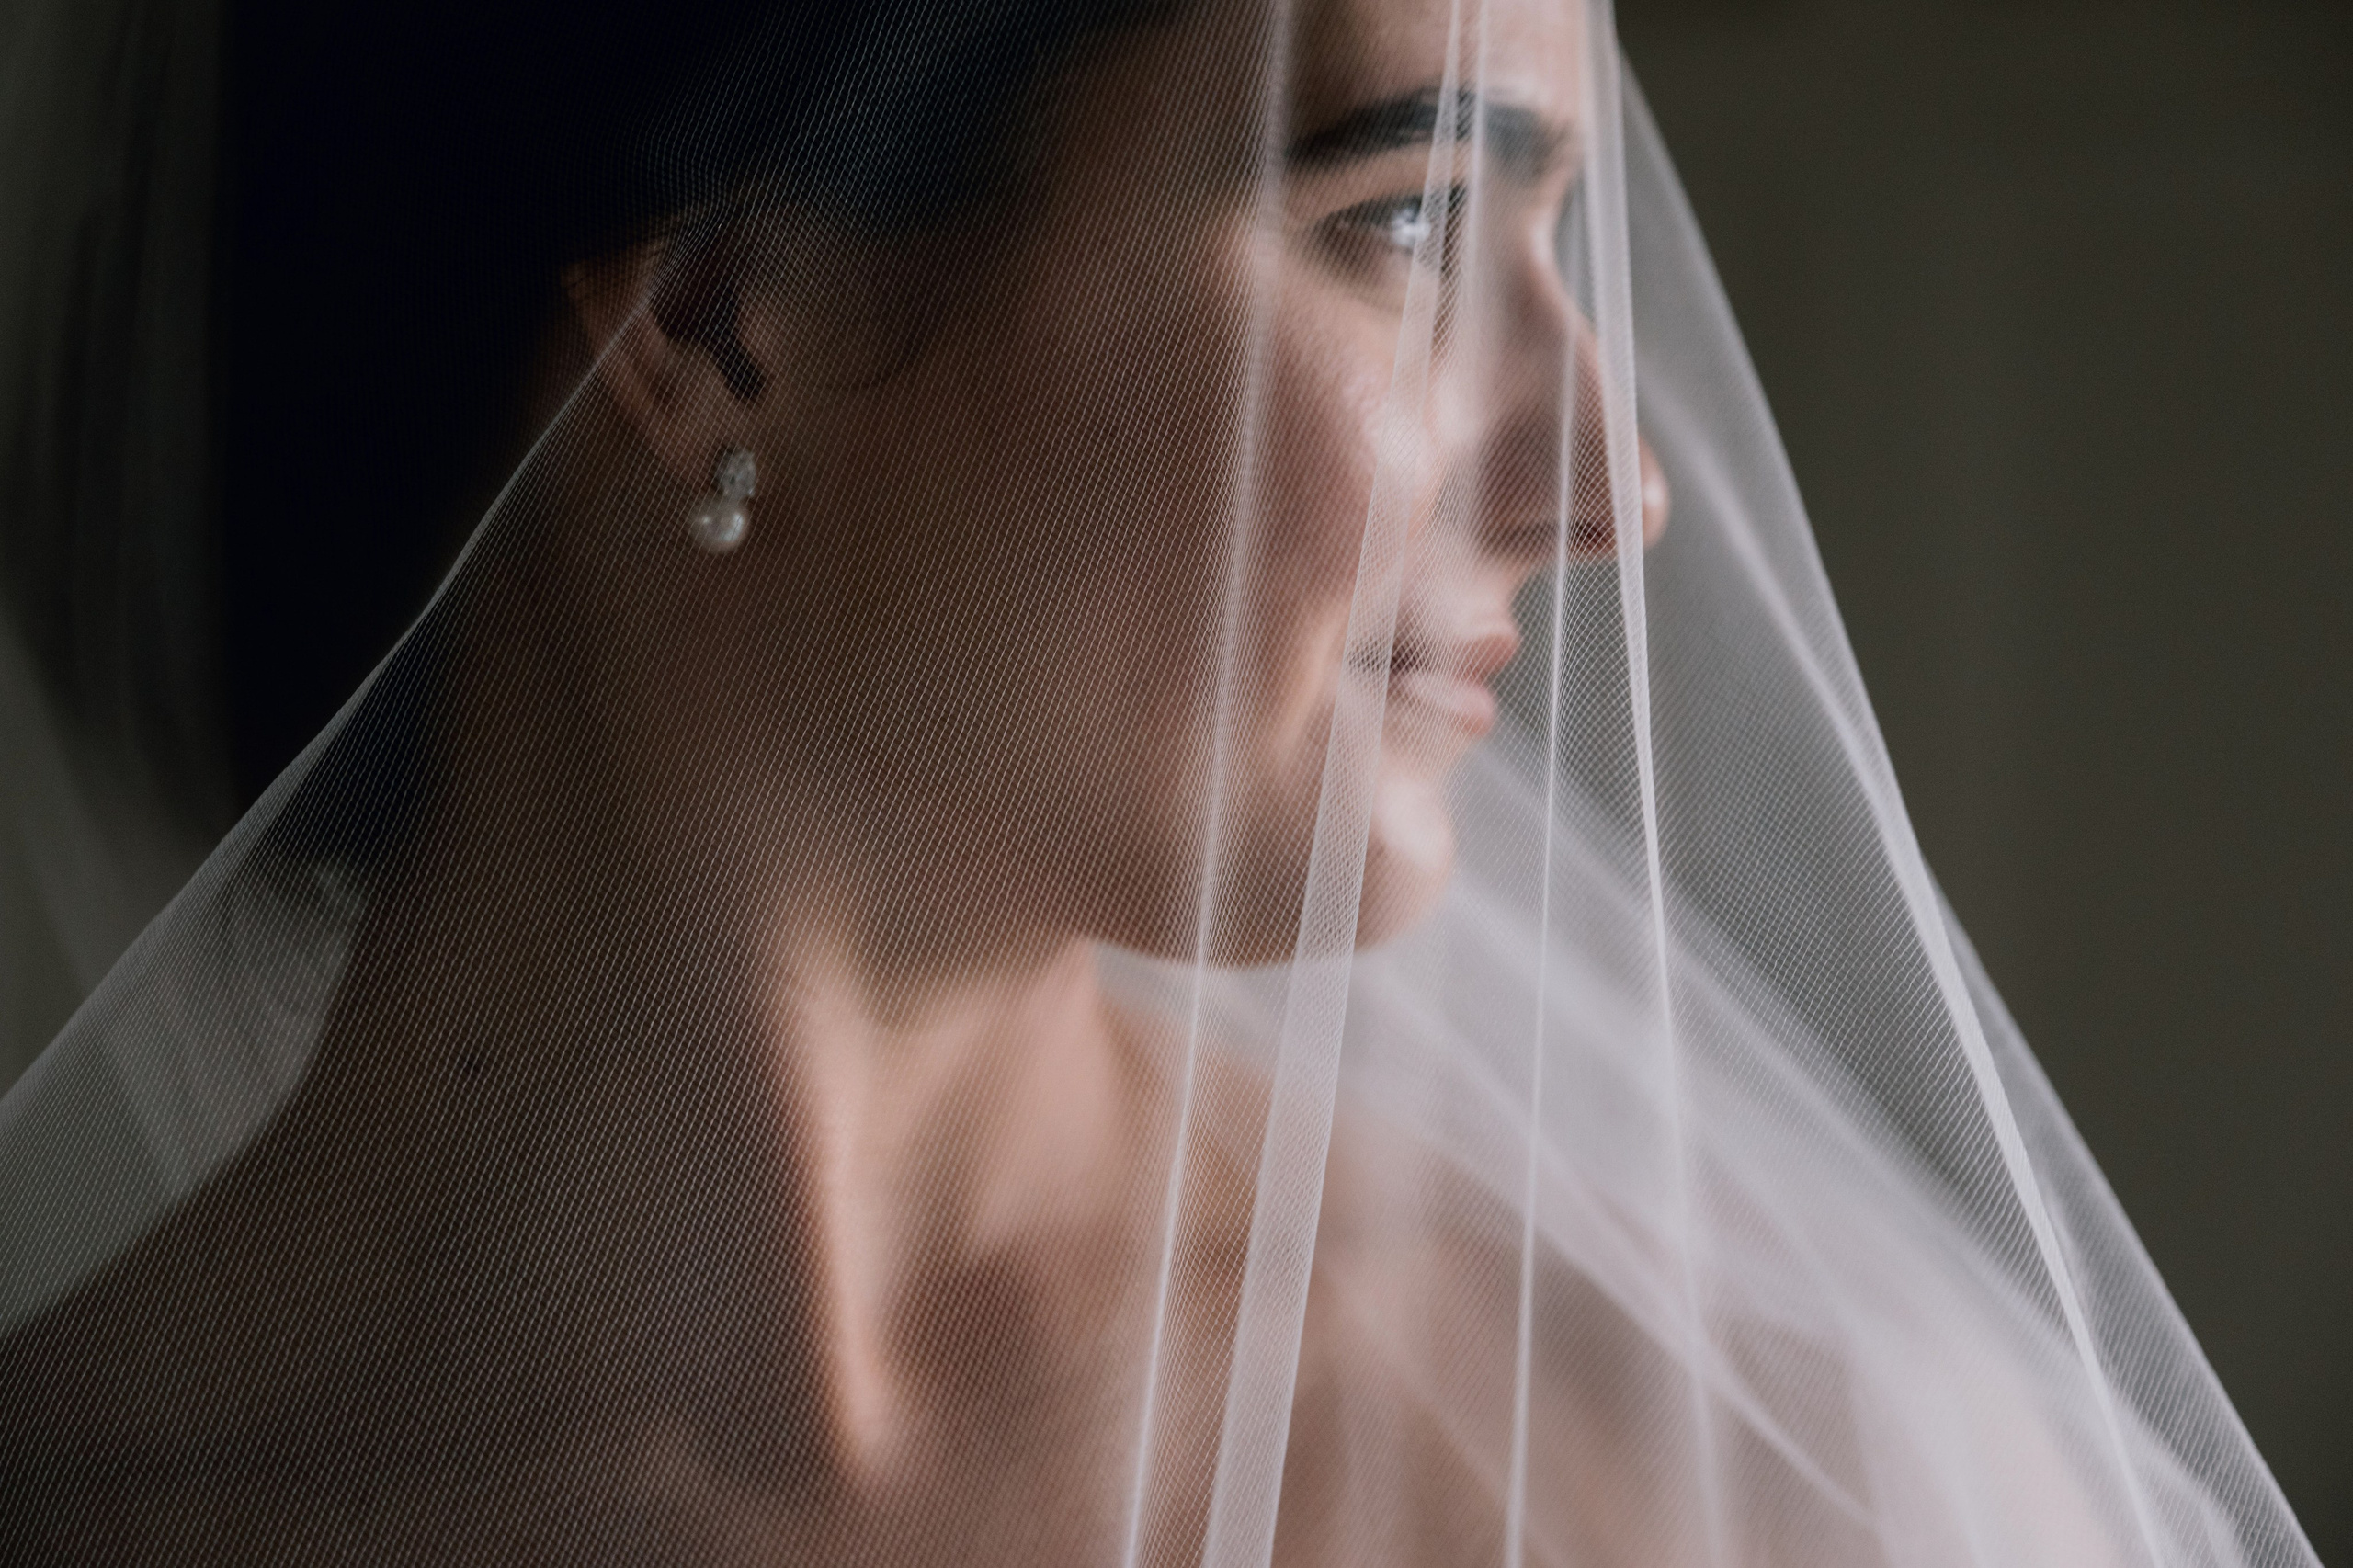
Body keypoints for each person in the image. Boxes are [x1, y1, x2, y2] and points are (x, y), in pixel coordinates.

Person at [0, 0, 2313, 1562]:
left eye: (1560, 240)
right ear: (722, 326)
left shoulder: (1758, 1471)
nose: (1609, 472)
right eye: (1402, 225)